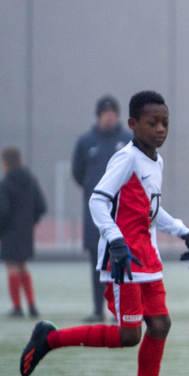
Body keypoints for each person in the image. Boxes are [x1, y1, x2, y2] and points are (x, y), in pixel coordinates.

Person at [19, 90, 189, 376]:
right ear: (132, 124)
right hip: (123, 260)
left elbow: (151, 210)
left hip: (147, 258)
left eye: (165, 122)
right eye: (152, 122)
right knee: (130, 334)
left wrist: (184, 232)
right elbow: (97, 200)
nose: (160, 129)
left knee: (160, 324)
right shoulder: (126, 158)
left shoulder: (155, 161)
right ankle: (50, 338)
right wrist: (115, 240)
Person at [71, 95, 132, 323]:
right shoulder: (85, 141)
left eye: (113, 113)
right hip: (95, 216)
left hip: (123, 213)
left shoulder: (128, 140)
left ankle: (120, 310)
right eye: (106, 113)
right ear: (98, 116)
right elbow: (78, 173)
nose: (110, 116)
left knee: (121, 260)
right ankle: (98, 309)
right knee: (97, 263)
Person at [0, 147, 47, 318]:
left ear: (5, 163)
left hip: (9, 232)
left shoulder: (4, 184)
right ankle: (31, 305)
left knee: (12, 267)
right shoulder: (31, 181)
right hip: (25, 231)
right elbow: (42, 206)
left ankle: (17, 307)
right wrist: (30, 221)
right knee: (23, 266)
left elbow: (1, 211)